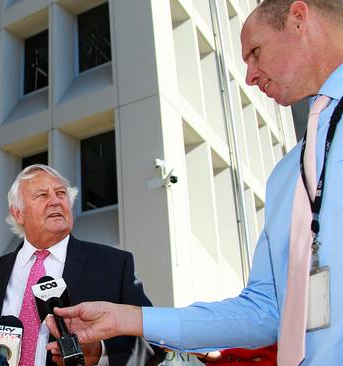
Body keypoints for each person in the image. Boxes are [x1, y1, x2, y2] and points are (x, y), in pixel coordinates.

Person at [45, 1, 343, 365]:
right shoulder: (284, 177)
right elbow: (264, 311)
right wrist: (126, 318)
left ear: (299, 18)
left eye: (254, 52)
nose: (249, 76)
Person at [0, 164, 163, 366]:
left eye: (61, 193)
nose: (55, 201)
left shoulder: (114, 266)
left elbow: (154, 342)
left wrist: (100, 353)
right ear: (18, 213)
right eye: (42, 195)